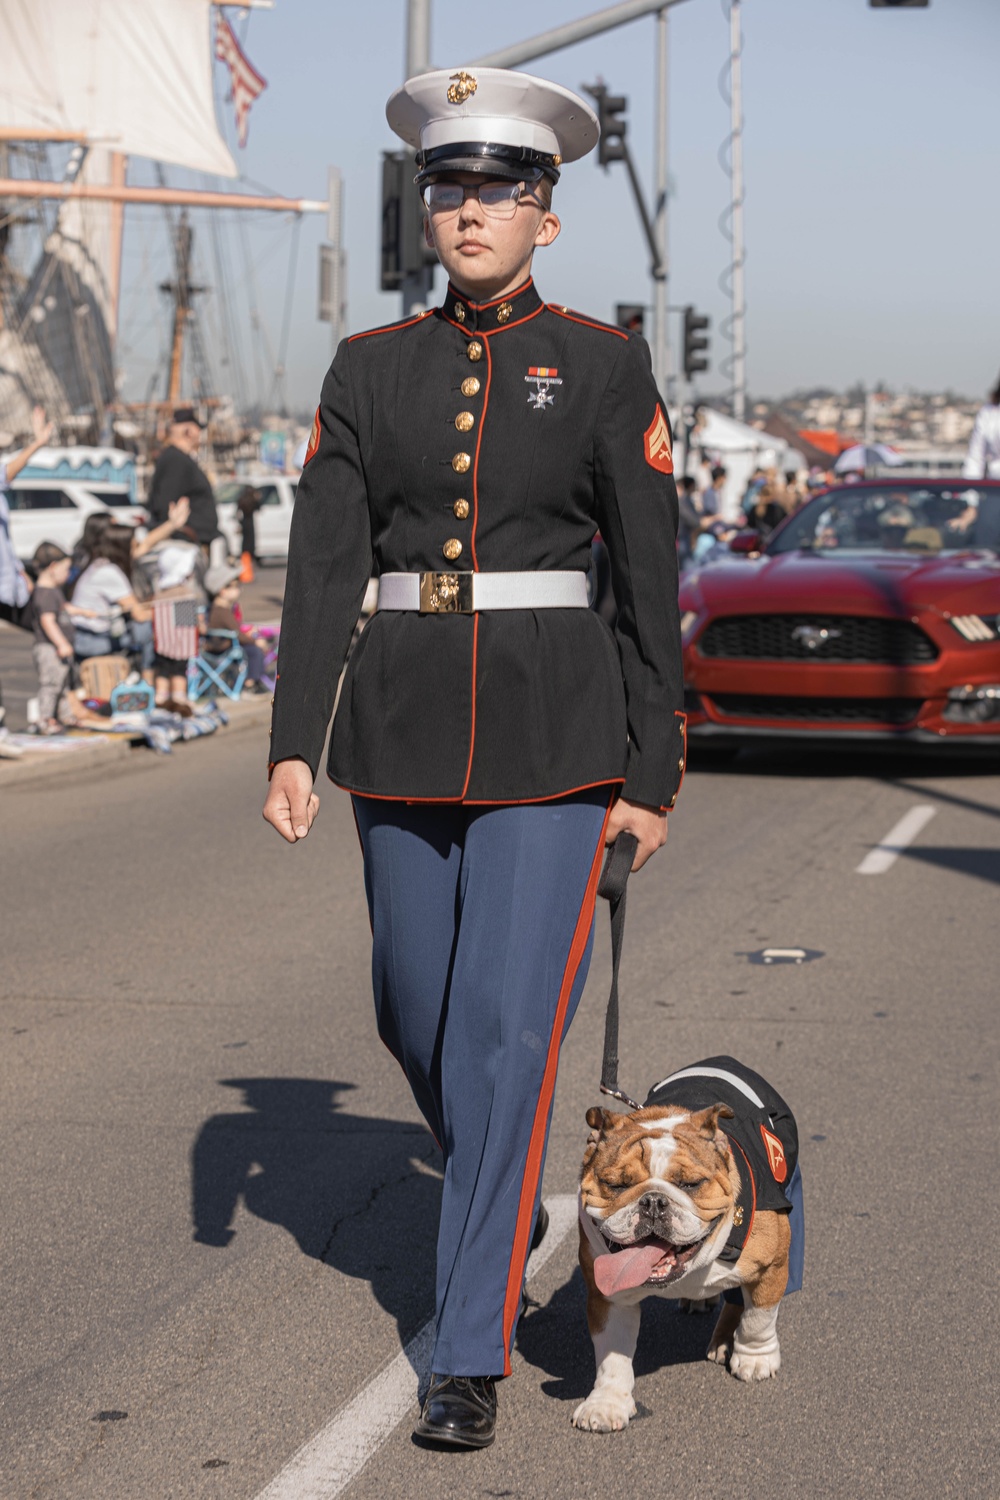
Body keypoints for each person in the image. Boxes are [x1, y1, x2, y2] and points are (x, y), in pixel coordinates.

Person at [262, 67, 685, 1452]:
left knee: (505, 1040)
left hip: (557, 743)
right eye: (449, 187)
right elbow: (326, 567)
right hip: (396, 729)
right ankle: (502, 1174)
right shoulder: (369, 368)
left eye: (501, 189)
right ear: (425, 208)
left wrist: (652, 766)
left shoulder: (604, 363)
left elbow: (646, 575)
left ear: (546, 217)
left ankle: (467, 1347)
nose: (471, 210)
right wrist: (295, 742)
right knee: (414, 1013)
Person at [0, 405, 54, 757]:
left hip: (8, 582)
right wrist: (37, 443)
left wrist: (21, 574)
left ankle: (53, 708)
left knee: (50, 627)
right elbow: (6, 472)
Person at [72, 522, 153, 672]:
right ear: (122, 547)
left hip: (84, 635)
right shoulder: (109, 572)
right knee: (148, 630)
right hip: (92, 640)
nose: (138, 549)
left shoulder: (98, 564)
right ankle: (149, 679)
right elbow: (140, 615)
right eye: (134, 546)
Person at [146, 408, 221, 559]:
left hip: (191, 543)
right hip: (183, 547)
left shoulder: (178, 459)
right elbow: (164, 506)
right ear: (188, 431)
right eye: (198, 429)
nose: (200, 435)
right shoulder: (176, 461)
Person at [27, 542, 78, 732]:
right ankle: (45, 719)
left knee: (62, 684)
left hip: (55, 647)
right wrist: (62, 643)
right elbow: (48, 621)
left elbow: (62, 610)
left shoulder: (51, 591)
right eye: (66, 569)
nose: (68, 574)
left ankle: (64, 716)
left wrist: (83, 611)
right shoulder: (46, 593)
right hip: (49, 648)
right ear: (53, 567)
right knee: (51, 684)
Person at [203, 562, 269, 694]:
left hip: (224, 644)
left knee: (253, 648)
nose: (239, 589)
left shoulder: (222, 609)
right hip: (222, 648)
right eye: (235, 585)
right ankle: (250, 684)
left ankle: (252, 681)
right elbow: (237, 634)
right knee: (254, 650)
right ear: (223, 590)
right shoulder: (222, 611)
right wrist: (255, 641)